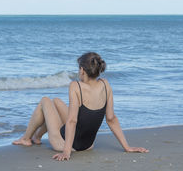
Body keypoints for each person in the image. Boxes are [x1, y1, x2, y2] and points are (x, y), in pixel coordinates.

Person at [12, 52, 149, 161]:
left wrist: (66, 151)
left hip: (65, 144)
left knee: (45, 100)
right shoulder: (106, 85)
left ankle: (25, 139)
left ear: (82, 70)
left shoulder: (75, 86)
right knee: (57, 101)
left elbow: (72, 121)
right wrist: (127, 147)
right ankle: (37, 137)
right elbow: (111, 118)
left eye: (79, 68)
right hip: (88, 145)